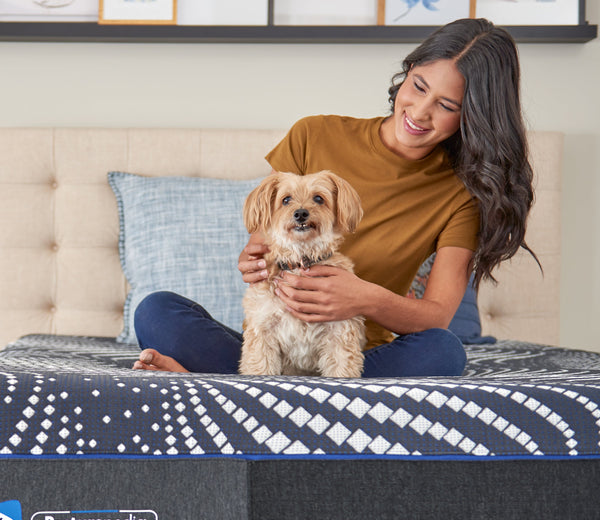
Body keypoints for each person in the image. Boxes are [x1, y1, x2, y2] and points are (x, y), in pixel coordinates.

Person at [133, 18, 536, 378]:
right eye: (418, 86)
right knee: (156, 311)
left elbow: (437, 317)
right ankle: (294, 391)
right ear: (409, 70)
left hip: (358, 355)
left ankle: (222, 382)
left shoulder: (460, 196)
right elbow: (264, 232)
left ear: (472, 116)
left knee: (444, 352)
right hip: (274, 344)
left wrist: (364, 297)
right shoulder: (314, 133)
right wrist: (253, 258)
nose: (420, 111)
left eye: (446, 106)